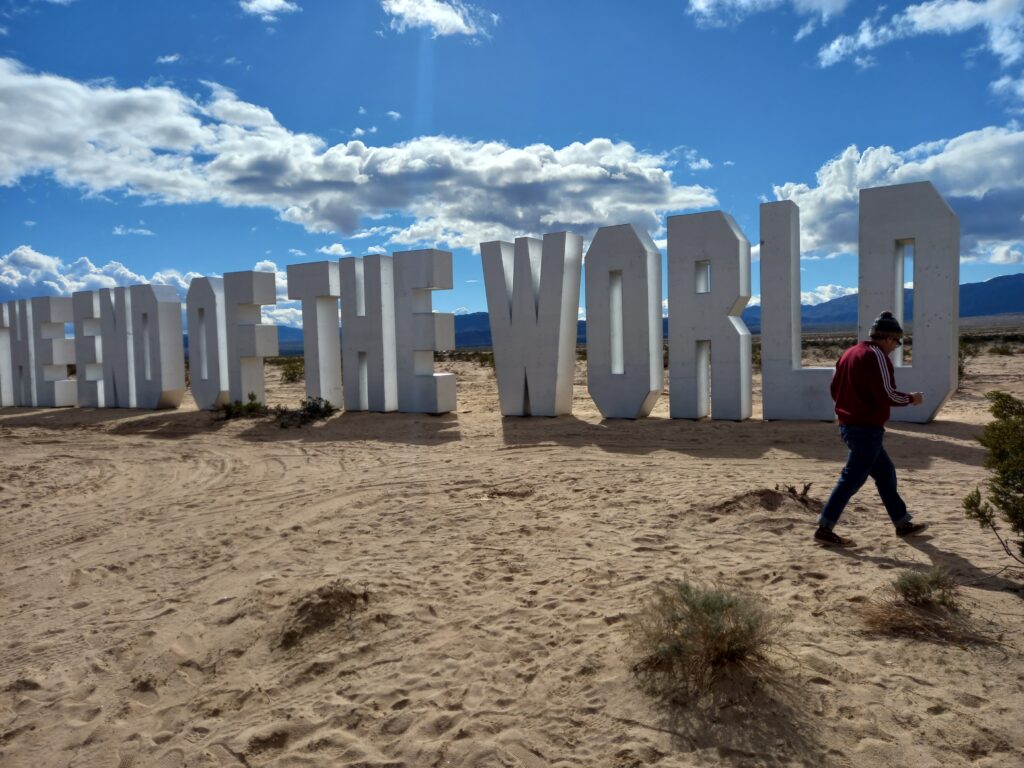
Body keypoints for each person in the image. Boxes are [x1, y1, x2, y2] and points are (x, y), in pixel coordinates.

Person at [814, 311, 928, 546]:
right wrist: (911, 398)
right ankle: (825, 527)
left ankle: (901, 521)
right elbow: (887, 393)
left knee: (885, 473)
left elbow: (835, 389)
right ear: (887, 337)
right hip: (865, 428)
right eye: (897, 341)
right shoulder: (876, 356)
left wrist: (847, 410)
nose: (897, 346)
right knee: (851, 479)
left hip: (851, 425)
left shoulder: (849, 353)